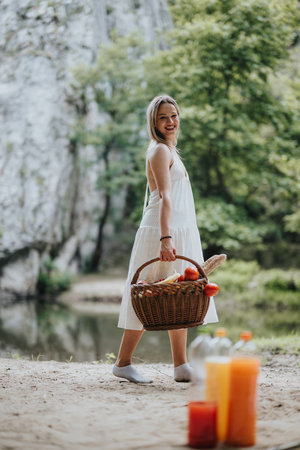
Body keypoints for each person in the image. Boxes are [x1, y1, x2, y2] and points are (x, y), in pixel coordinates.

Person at [113, 94, 218, 383]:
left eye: (174, 115)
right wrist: (166, 237)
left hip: (177, 230)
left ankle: (180, 365)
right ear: (154, 122)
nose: (170, 121)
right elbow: (166, 199)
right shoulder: (159, 150)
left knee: (180, 295)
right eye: (163, 117)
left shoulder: (170, 151)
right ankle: (122, 363)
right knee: (145, 295)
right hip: (163, 230)